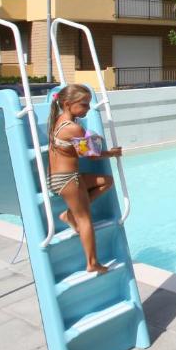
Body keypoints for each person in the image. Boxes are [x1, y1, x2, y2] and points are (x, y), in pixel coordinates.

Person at [47, 83, 122, 275]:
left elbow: (83, 150)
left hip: (61, 178)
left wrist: (93, 141)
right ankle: (92, 263)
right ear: (67, 104)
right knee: (85, 220)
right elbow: (92, 155)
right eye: (84, 105)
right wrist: (112, 153)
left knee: (106, 181)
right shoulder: (73, 128)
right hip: (68, 179)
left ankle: (69, 215)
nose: (88, 108)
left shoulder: (58, 121)